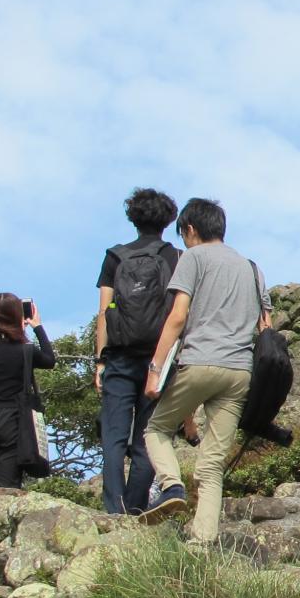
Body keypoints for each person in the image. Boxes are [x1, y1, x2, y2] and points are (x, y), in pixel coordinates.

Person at [141, 199, 271, 542]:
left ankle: (171, 487)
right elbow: (266, 325)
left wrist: (155, 368)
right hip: (239, 372)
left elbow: (178, 316)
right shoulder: (252, 268)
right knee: (212, 467)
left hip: (199, 362)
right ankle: (202, 545)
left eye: (183, 233)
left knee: (156, 429)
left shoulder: (193, 258)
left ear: (191, 230)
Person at [92, 187, 180, 516]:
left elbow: (103, 313)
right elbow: (178, 312)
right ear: (168, 220)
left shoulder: (114, 257)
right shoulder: (174, 257)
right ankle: (135, 506)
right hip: (155, 359)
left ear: (133, 217)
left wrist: (100, 360)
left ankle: (113, 508)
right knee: (147, 435)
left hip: (118, 355)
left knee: (113, 436)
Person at [0, 294, 54, 489]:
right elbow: (49, 360)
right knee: (6, 489)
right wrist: (37, 326)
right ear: (17, 317)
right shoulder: (24, 351)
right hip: (11, 420)